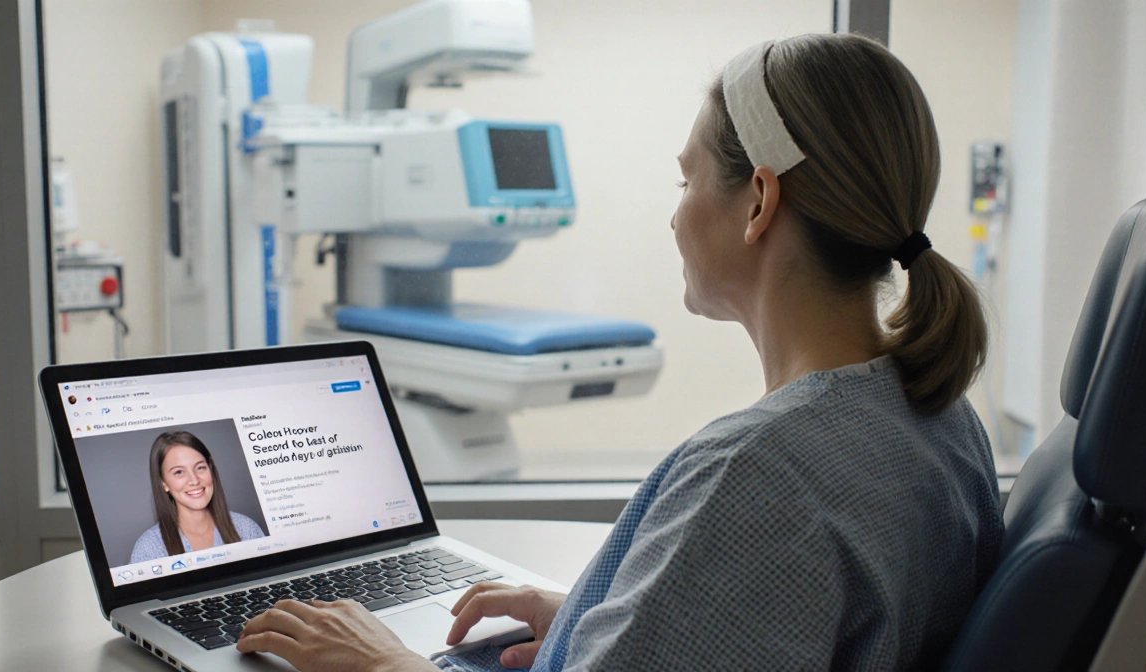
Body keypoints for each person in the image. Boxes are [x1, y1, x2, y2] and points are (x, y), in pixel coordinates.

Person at [235, 33, 1003, 671]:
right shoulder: (938, 417)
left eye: (686, 181)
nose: (674, 219)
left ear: (760, 203)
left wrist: (381, 663)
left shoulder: (756, 473)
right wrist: (591, 621)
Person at [130, 430, 266, 563]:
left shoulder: (246, 529)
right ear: (164, 483)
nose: (194, 480)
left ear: (210, 470)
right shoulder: (149, 548)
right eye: (179, 472)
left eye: (200, 467)